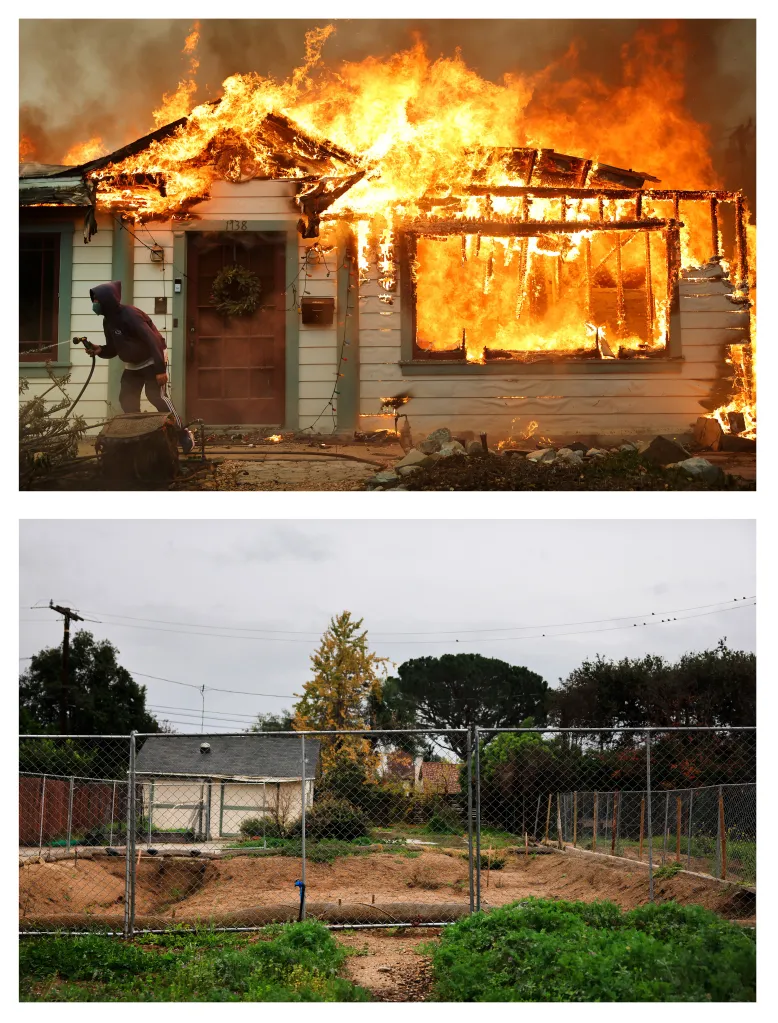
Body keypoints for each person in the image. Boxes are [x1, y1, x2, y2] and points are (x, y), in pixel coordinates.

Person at [85, 281, 194, 453]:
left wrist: (160, 369)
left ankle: (183, 433)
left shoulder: (130, 314)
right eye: (94, 301)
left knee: (156, 397)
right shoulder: (108, 321)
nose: (94, 304)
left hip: (152, 359)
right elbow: (114, 348)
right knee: (126, 399)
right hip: (133, 365)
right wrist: (100, 350)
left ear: (107, 300)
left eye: (97, 301)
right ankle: (138, 438)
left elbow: (153, 340)